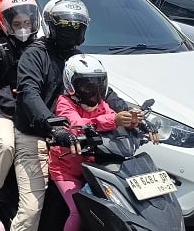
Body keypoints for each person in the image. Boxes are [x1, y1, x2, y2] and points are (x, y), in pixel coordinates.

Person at [11, 0, 131, 231]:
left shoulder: (79, 58)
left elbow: (104, 92)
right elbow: (29, 94)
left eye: (77, 26)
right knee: (30, 211)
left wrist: (129, 113)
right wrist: (55, 126)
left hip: (78, 137)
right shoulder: (35, 55)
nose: (71, 31)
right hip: (37, 134)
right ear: (51, 25)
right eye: (65, 25)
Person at [49, 54, 148, 231]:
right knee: (78, 211)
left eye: (98, 84)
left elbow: (112, 116)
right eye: (87, 85)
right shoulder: (65, 102)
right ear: (72, 85)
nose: (94, 90)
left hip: (96, 167)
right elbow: (75, 124)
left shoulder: (101, 103)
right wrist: (115, 120)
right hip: (67, 171)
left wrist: (133, 121)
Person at [0, 0, 39, 231]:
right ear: (7, 24)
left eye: (26, 23)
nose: (23, 28)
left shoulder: (40, 49)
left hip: (32, 112)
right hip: (0, 111)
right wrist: (13, 101)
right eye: (17, 24)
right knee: (6, 144)